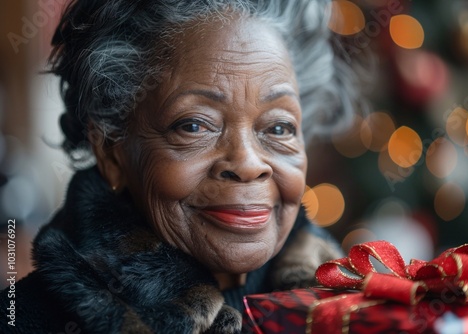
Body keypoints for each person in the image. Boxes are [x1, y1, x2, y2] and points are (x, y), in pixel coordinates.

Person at [1, 0, 357, 332]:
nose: (248, 164)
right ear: (112, 152)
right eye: (194, 125)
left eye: (279, 128)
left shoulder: (357, 307)